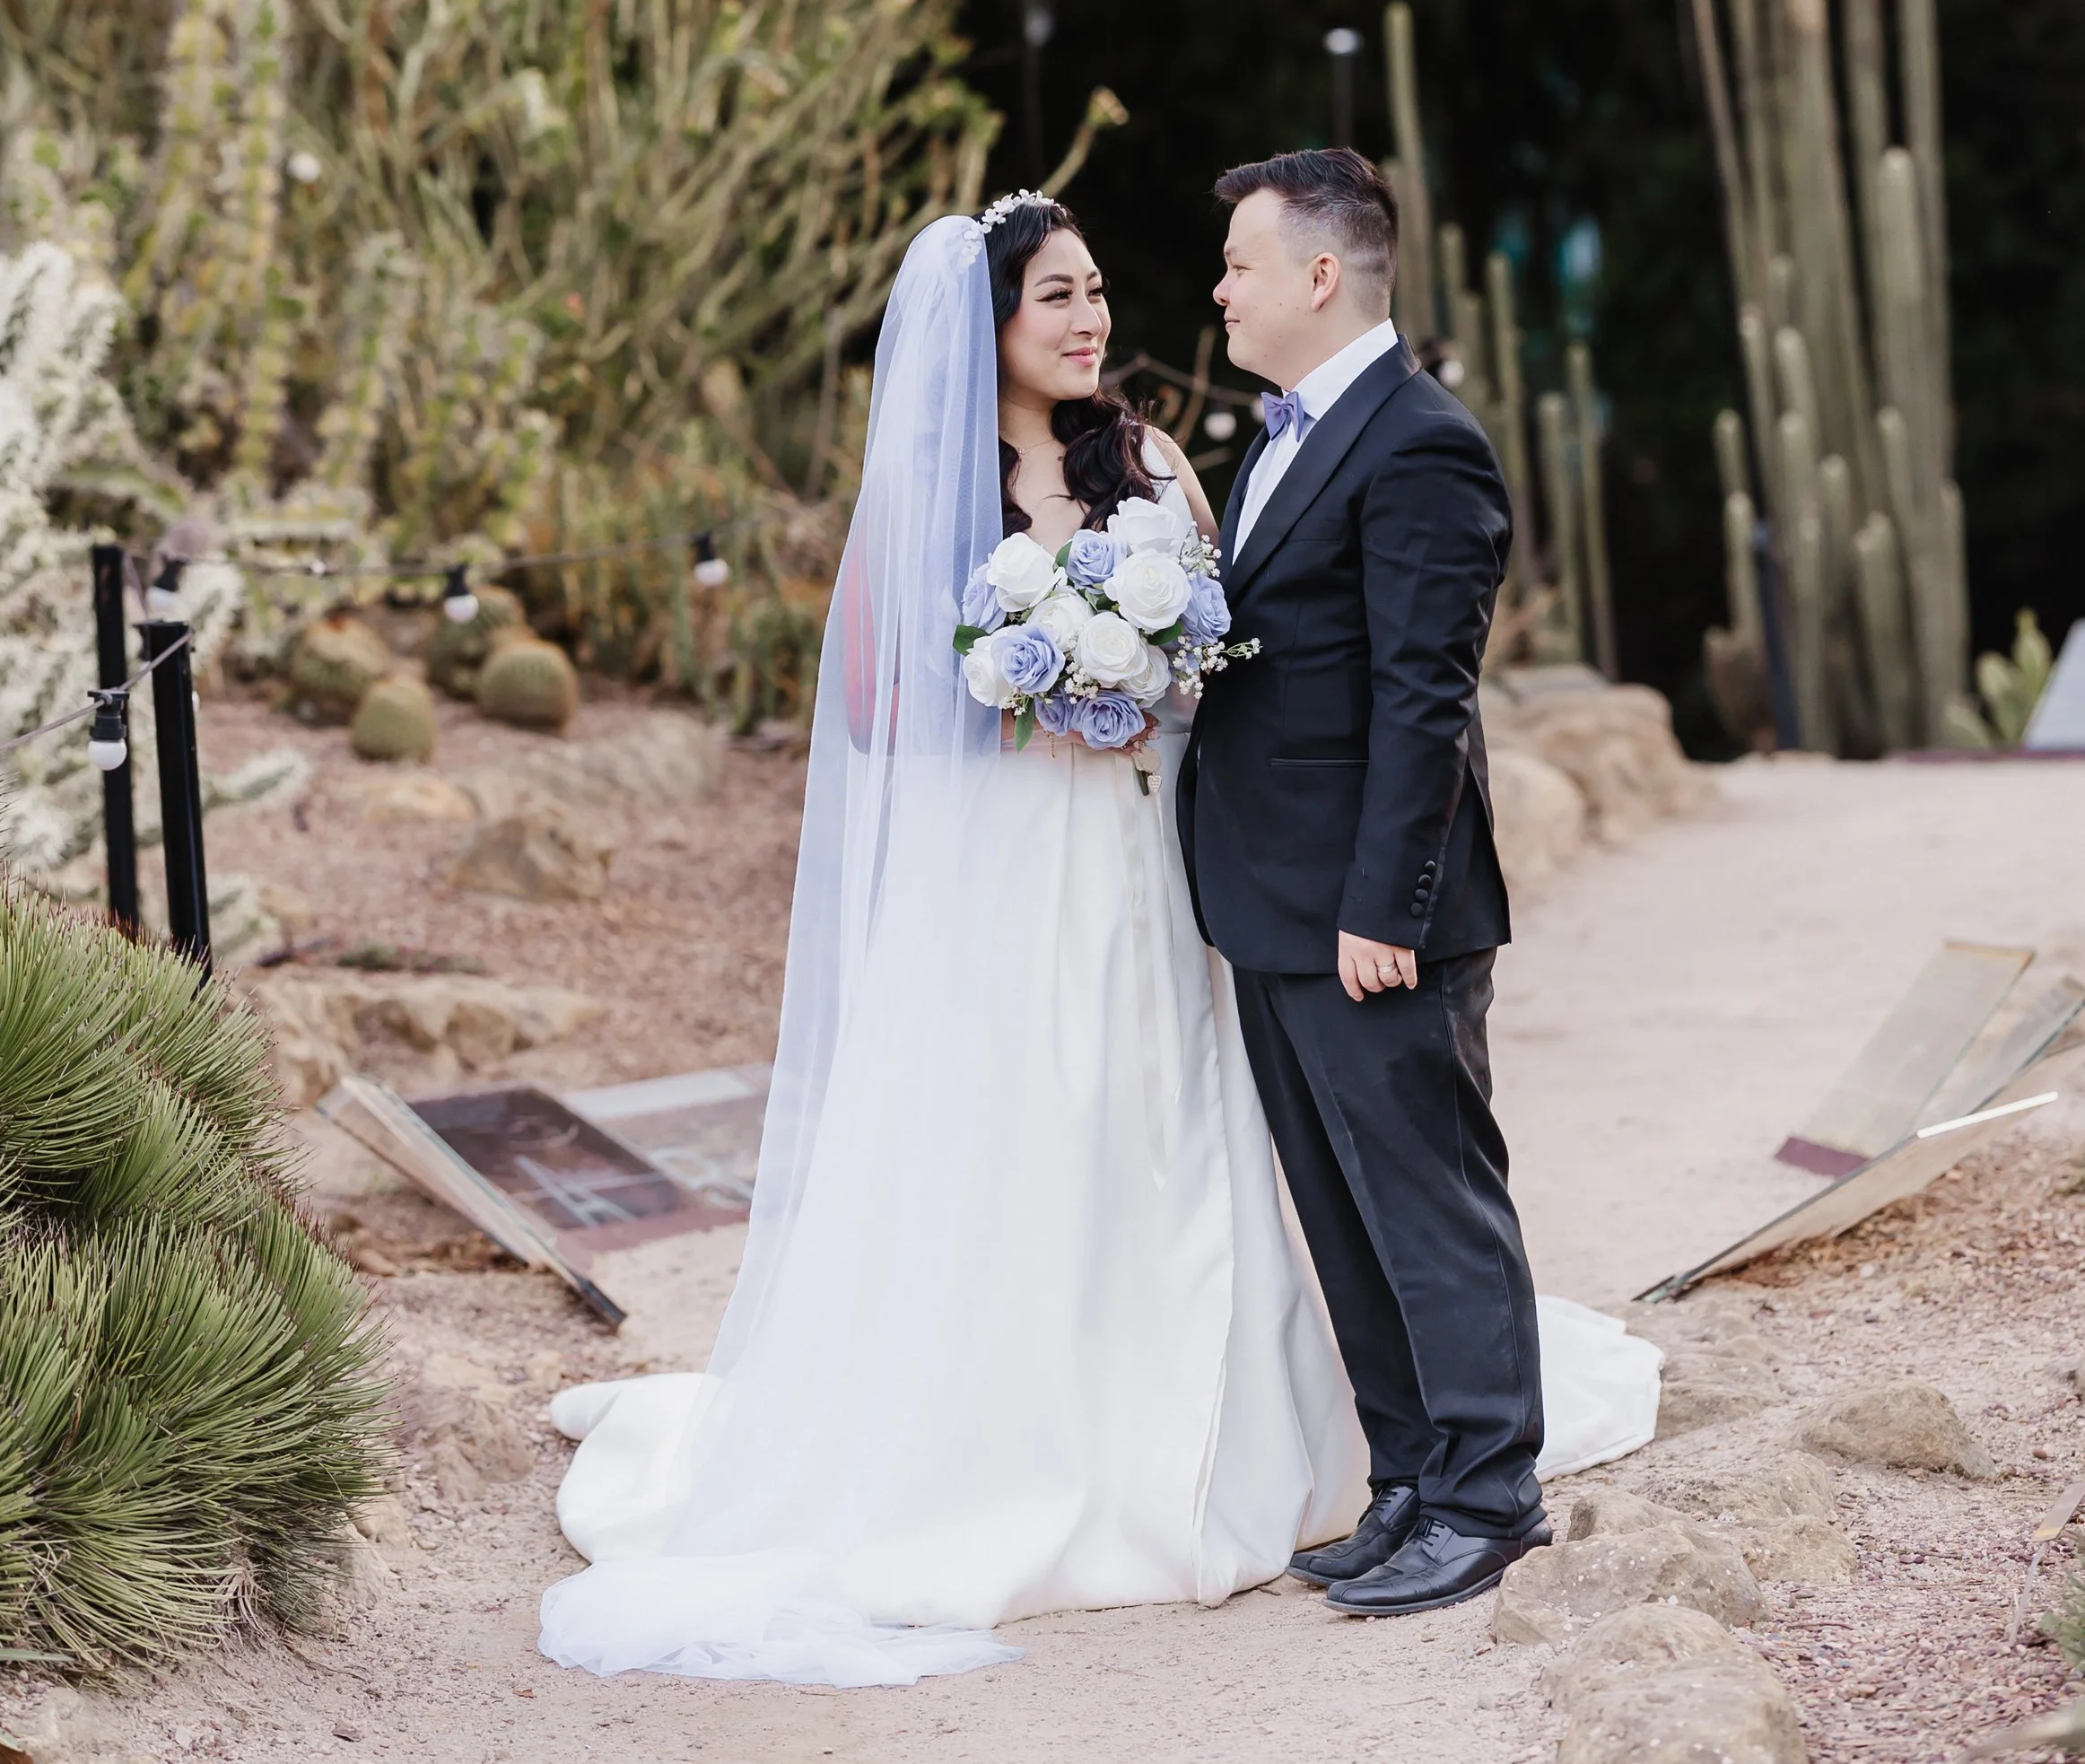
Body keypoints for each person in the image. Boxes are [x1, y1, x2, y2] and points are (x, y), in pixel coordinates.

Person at [537, 191, 1655, 1690]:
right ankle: (1110, 1450)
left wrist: (1140, 676)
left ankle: (1375, 1467)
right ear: (986, 328)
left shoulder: (1158, 458)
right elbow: (875, 706)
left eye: (1095, 289)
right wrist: (1034, 687)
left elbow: (1252, 656)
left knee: (1209, 1140)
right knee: (1044, 1141)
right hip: (1018, 869)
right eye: (1054, 296)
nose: (1090, 317)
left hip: (1163, 866)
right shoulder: (933, 489)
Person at [1182, 146, 1549, 1615]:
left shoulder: (1419, 441)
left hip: (1368, 914)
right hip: (1271, 899)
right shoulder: (1276, 436)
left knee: (1428, 1199)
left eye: (1242, 263)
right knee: (1341, 1207)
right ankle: (1408, 1477)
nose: (1220, 285)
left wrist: (1380, 913)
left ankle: (1489, 1493)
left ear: (1320, 276)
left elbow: (1423, 698)